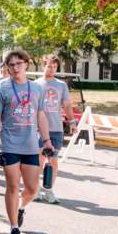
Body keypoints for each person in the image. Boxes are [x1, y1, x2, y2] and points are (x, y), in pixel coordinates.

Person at [0, 50, 53, 234]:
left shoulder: (36, 88)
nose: (15, 68)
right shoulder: (2, 88)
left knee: (32, 189)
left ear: (26, 64)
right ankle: (14, 228)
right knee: (13, 186)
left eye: (18, 64)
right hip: (10, 144)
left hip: (31, 145)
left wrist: (47, 140)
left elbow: (41, 114)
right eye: (11, 65)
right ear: (8, 68)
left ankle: (21, 208)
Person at [35, 54, 75, 204]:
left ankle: (48, 190)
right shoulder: (36, 84)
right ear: (43, 66)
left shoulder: (61, 85)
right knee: (39, 159)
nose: (51, 69)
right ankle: (36, 190)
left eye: (54, 67)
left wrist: (72, 121)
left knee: (53, 161)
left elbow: (67, 105)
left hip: (56, 128)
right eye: (48, 66)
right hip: (38, 129)